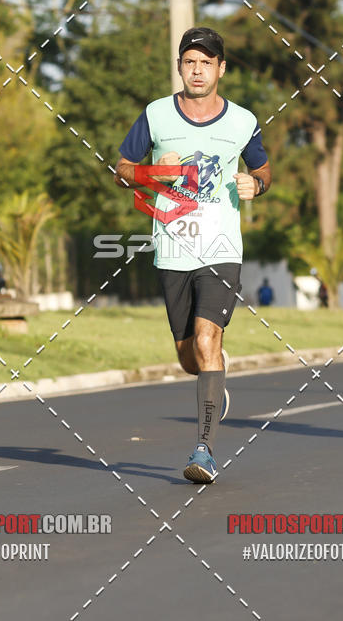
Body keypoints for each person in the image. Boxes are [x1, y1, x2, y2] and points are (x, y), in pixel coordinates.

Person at [115, 26, 271, 482]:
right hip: (172, 249)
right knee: (190, 357)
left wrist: (255, 184)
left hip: (221, 248)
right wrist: (147, 173)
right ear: (180, 66)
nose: (197, 70)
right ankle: (213, 375)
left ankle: (204, 450)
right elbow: (121, 169)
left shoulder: (243, 120)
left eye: (206, 62)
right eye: (190, 62)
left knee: (207, 340)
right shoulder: (156, 115)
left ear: (221, 69)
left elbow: (262, 170)